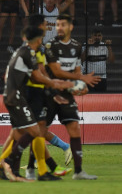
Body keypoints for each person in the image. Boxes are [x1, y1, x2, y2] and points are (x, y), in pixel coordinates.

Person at [0, 26, 73, 182]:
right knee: (35, 130)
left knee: (23, 132)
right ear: (38, 39)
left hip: (20, 94)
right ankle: (7, 163)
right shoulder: (29, 53)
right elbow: (38, 76)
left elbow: (10, 75)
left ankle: (18, 169)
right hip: (24, 94)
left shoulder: (23, 52)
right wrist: (54, 86)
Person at [45, 14, 100, 180]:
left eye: (62, 25)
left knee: (75, 127)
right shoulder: (50, 45)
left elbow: (77, 70)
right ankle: (34, 168)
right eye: (57, 25)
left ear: (70, 27)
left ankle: (78, 171)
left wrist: (80, 87)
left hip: (67, 93)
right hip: (49, 92)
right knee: (39, 131)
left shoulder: (77, 46)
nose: (59, 28)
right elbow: (56, 71)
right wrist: (81, 80)